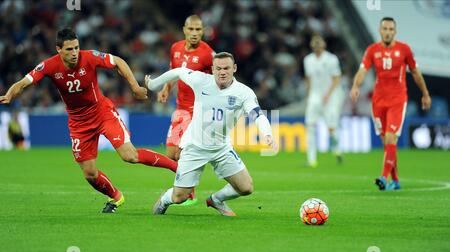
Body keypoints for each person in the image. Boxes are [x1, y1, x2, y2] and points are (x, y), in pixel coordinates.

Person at [0, 28, 178, 212]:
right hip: (78, 123)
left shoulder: (90, 57)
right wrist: (9, 94)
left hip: (102, 113)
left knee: (129, 155)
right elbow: (23, 82)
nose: (74, 53)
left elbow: (118, 61)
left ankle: (176, 167)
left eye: (76, 47)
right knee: (90, 173)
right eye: (69, 49)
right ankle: (116, 197)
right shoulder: (49, 66)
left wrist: (134, 86)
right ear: (58, 49)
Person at [145, 52, 277, 216]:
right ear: (212, 69)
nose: (223, 72)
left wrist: (267, 134)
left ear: (234, 68)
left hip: (221, 148)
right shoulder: (201, 81)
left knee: (246, 187)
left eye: (227, 68)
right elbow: (178, 71)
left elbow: (257, 114)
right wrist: (153, 84)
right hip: (194, 146)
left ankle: (216, 199)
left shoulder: (244, 92)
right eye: (219, 68)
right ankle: (165, 200)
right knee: (180, 197)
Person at [350, 17, 431, 191]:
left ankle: (383, 177)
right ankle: (395, 181)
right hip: (378, 101)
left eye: (391, 29)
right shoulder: (372, 50)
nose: (387, 32)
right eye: (385, 29)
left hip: (397, 100)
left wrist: (425, 93)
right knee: (386, 143)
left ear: (395, 31)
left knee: (390, 138)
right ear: (380, 31)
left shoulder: (404, 49)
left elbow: (415, 73)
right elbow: (362, 70)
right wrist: (356, 86)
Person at [157, 15, 215, 206]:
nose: (194, 33)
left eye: (198, 30)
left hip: (198, 111)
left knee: (184, 153)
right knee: (170, 154)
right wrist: (166, 88)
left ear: (203, 31)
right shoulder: (175, 48)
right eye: (191, 29)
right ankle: (187, 187)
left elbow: (221, 79)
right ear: (184, 29)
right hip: (180, 109)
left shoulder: (208, 54)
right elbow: (174, 71)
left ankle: (189, 191)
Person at [304, 35, 345, 167]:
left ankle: (337, 149)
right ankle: (311, 160)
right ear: (311, 45)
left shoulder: (332, 59)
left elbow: (337, 78)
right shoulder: (308, 60)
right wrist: (309, 95)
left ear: (324, 44)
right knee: (310, 126)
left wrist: (328, 94)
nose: (316, 44)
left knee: (331, 127)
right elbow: (309, 79)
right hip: (315, 96)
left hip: (330, 96)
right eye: (314, 41)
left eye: (319, 41)